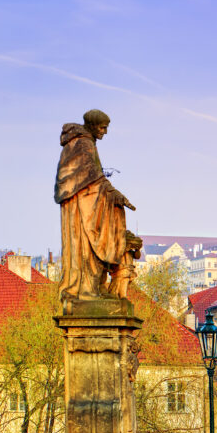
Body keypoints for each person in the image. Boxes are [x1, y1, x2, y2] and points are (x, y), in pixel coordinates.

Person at [55, 109, 135, 302]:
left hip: (87, 202)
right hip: (81, 208)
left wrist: (114, 194)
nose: (104, 132)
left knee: (89, 251)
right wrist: (112, 193)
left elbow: (95, 177)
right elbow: (88, 177)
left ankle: (90, 288)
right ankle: (85, 290)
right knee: (84, 249)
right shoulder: (83, 143)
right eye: (102, 127)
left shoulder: (85, 143)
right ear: (92, 125)